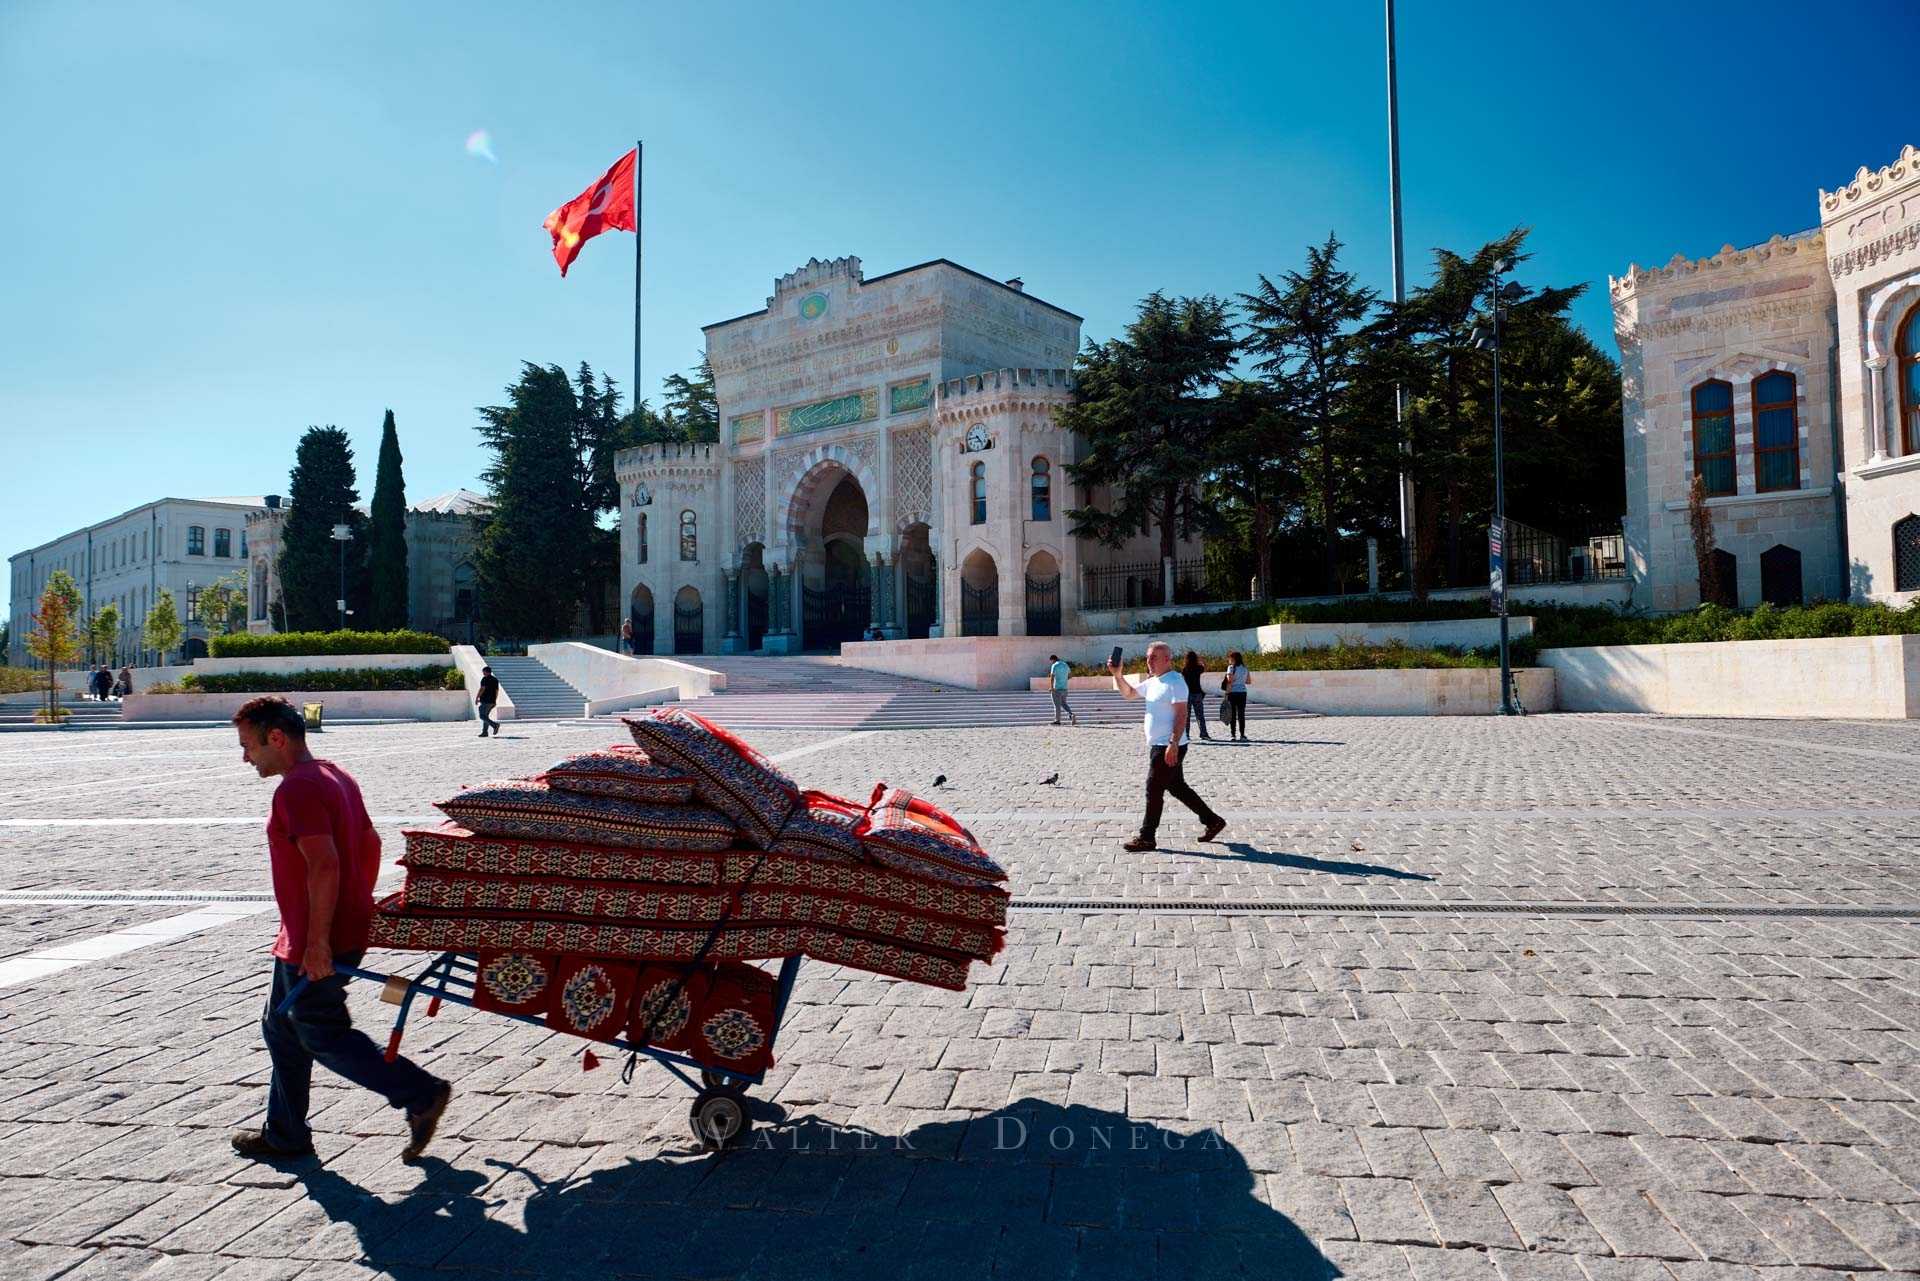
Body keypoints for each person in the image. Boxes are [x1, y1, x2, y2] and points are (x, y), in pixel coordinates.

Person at [229, 696, 450, 1162]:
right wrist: (353, 909)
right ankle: (286, 1131)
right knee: (280, 1026)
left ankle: (420, 1092)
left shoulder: (298, 789)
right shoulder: (336, 775)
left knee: (320, 1032)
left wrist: (318, 941)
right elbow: (371, 843)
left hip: (318, 936)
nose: (245, 756)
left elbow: (324, 865)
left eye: (248, 745)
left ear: (277, 738)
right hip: (319, 930)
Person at [1109, 641, 1226, 852]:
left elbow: (1182, 714)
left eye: (1154, 657)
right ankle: (1213, 821)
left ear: (1167, 660)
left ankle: (1147, 837)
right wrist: (1118, 675)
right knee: (1178, 787)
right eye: (1148, 657)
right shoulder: (1154, 681)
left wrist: (1173, 743)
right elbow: (1129, 694)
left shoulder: (1175, 681)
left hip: (1168, 745)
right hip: (1160, 744)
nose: (1149, 661)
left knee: (1153, 787)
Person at [1181, 650, 1212, 741]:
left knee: (1187, 716)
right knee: (1200, 715)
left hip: (1187, 694)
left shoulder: (1185, 669)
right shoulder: (1198, 668)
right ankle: (1204, 733)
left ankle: (1186, 734)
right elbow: (1205, 667)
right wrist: (1201, 660)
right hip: (1197, 693)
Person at [1221, 650, 1251, 742]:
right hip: (1242, 692)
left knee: (1232, 714)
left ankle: (1233, 735)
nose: (1229, 660)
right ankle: (1242, 735)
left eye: (1230, 658)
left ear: (1233, 659)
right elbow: (1248, 681)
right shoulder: (1245, 668)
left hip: (1232, 692)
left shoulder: (1231, 668)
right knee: (1241, 714)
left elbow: (1230, 680)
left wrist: (1229, 677)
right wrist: (1240, 680)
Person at [1046, 654, 1077, 726]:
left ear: (1053, 660)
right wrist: (1064, 680)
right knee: (1064, 704)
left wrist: (1051, 687)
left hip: (1056, 688)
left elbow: (1052, 677)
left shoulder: (1054, 665)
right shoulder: (1065, 665)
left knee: (1057, 705)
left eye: (1051, 661)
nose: (1051, 663)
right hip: (1065, 688)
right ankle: (1071, 714)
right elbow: (1070, 676)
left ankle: (1057, 720)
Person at [475, 665, 500, 738]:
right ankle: (485, 732)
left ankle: (495, 725)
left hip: (485, 701)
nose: (483, 673)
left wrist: (477, 698)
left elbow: (482, 689)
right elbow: (496, 691)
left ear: (486, 672)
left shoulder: (484, 679)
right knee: (485, 716)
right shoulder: (495, 679)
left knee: (482, 716)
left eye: (484, 672)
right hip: (492, 701)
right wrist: (495, 700)